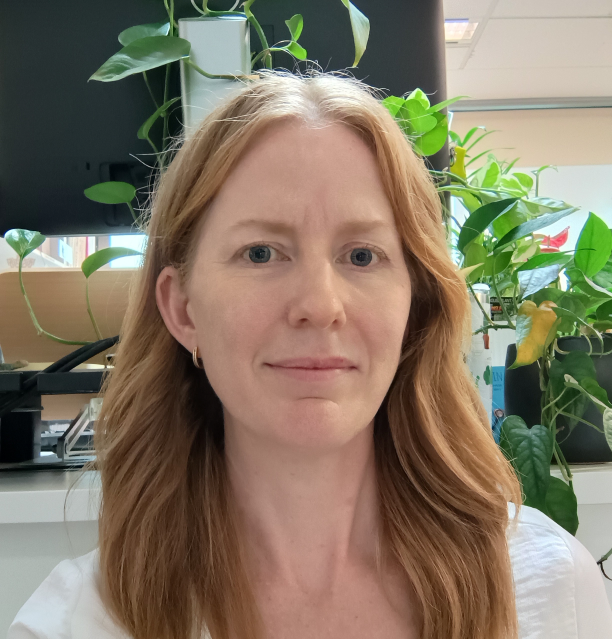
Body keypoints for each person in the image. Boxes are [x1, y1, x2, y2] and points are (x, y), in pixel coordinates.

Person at [8, 71, 612, 639]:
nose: (320, 305)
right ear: (183, 308)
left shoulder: (549, 588)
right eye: (261, 253)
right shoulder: (78, 622)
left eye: (362, 255)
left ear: (415, 306)